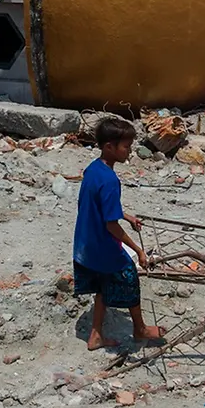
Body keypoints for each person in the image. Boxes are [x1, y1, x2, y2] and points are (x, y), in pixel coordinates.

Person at [73, 118, 166, 350]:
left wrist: (127, 216)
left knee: (103, 285)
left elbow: (100, 205)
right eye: (125, 146)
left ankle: (95, 335)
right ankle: (140, 328)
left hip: (85, 242)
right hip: (103, 246)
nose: (129, 151)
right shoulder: (110, 180)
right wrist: (138, 250)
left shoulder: (93, 169)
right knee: (130, 278)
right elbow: (110, 225)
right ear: (109, 147)